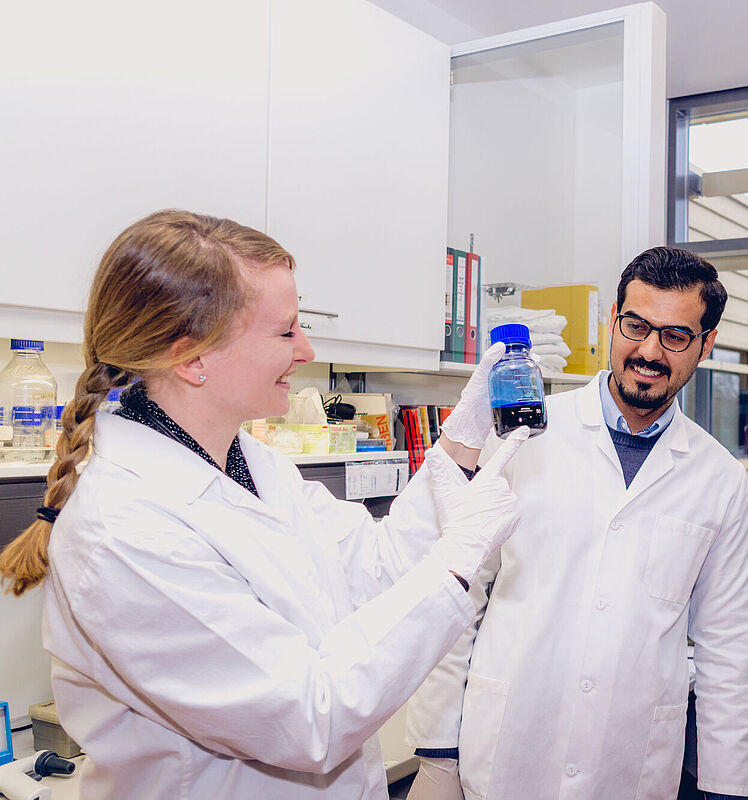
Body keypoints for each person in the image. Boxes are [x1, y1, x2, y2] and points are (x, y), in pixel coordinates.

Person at [0, 209, 531, 799]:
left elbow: (377, 568)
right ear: (192, 358)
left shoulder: (253, 464)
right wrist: (457, 560)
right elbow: (309, 719)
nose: (306, 349)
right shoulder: (121, 528)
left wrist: (458, 443)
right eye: (286, 331)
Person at [405, 247, 748, 800]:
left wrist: (727, 787)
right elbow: (458, 590)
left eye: (675, 336)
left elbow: (729, 648)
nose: (649, 351)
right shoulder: (522, 434)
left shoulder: (719, 477)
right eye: (636, 325)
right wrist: (436, 749)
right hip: (507, 748)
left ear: (706, 343)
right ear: (614, 318)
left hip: (629, 762)